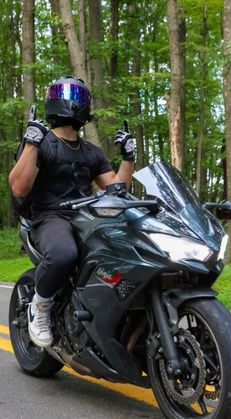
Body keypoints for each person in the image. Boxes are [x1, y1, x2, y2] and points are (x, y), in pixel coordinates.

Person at [9, 76, 135, 348]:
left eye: (77, 95)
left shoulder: (92, 152)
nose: (72, 99)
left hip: (86, 217)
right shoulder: (41, 143)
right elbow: (19, 186)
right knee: (64, 253)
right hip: (49, 216)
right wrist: (31, 143)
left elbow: (117, 191)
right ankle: (39, 307)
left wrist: (128, 159)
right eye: (64, 93)